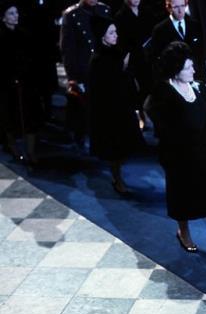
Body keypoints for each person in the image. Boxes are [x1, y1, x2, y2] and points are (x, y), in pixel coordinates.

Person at [148, 41, 206, 257]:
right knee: (182, 197)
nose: (193, 70)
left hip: (203, 153)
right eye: (188, 67)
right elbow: (160, 125)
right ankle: (183, 232)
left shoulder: (200, 89)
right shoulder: (162, 93)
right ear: (175, 69)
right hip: (179, 156)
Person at [88, 16, 145, 195]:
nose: (116, 35)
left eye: (115, 32)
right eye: (111, 33)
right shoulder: (98, 58)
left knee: (123, 147)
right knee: (114, 148)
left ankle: (118, 176)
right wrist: (122, 67)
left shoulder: (115, 52)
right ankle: (117, 179)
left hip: (122, 107)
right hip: (109, 111)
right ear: (102, 36)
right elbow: (104, 85)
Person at [60, 0, 112, 148]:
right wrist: (73, 76)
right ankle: (80, 137)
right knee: (82, 108)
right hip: (83, 68)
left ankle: (102, 139)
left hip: (103, 65)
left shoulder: (105, 10)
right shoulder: (71, 15)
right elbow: (67, 49)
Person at [0, 1, 44, 164]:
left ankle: (31, 152)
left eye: (16, 12)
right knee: (10, 118)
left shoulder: (24, 35)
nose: (15, 16)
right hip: (8, 85)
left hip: (27, 84)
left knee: (30, 117)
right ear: (3, 17)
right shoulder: (2, 36)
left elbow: (32, 59)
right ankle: (14, 147)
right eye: (11, 13)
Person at [115, 0, 155, 123]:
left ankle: (152, 116)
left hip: (149, 57)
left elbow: (153, 32)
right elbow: (121, 42)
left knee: (152, 87)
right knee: (139, 90)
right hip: (133, 60)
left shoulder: (147, 11)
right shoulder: (120, 16)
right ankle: (144, 118)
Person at [150, 0, 206, 84]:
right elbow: (156, 61)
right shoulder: (160, 30)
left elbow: (201, 58)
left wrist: (204, 83)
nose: (180, 11)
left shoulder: (195, 25)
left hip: (195, 78)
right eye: (176, 7)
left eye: (182, 6)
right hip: (174, 82)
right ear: (169, 8)